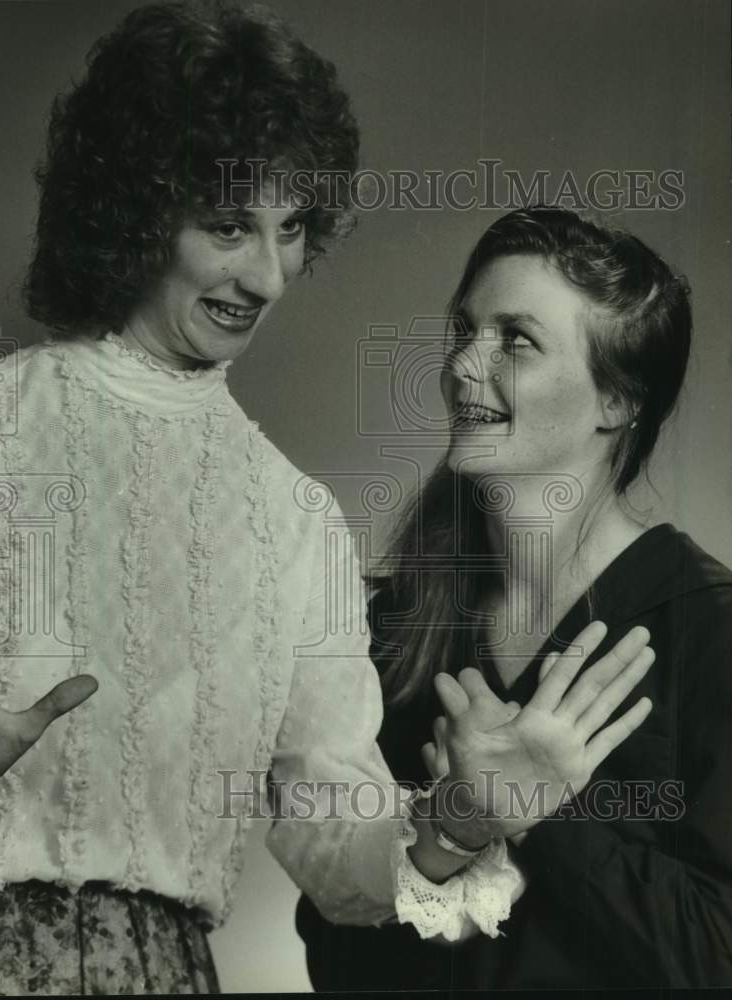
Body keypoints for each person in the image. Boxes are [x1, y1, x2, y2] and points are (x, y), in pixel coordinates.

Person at [0, 6, 658, 993]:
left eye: (291, 229)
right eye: (229, 226)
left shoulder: (292, 517)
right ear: (133, 206)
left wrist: (455, 819)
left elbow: (332, 835)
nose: (267, 275)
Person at [297, 206, 732, 989]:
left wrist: (541, 817)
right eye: (465, 330)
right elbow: (336, 960)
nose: (465, 364)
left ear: (618, 401)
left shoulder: (713, 633)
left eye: (515, 341)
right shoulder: (395, 630)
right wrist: (450, 832)